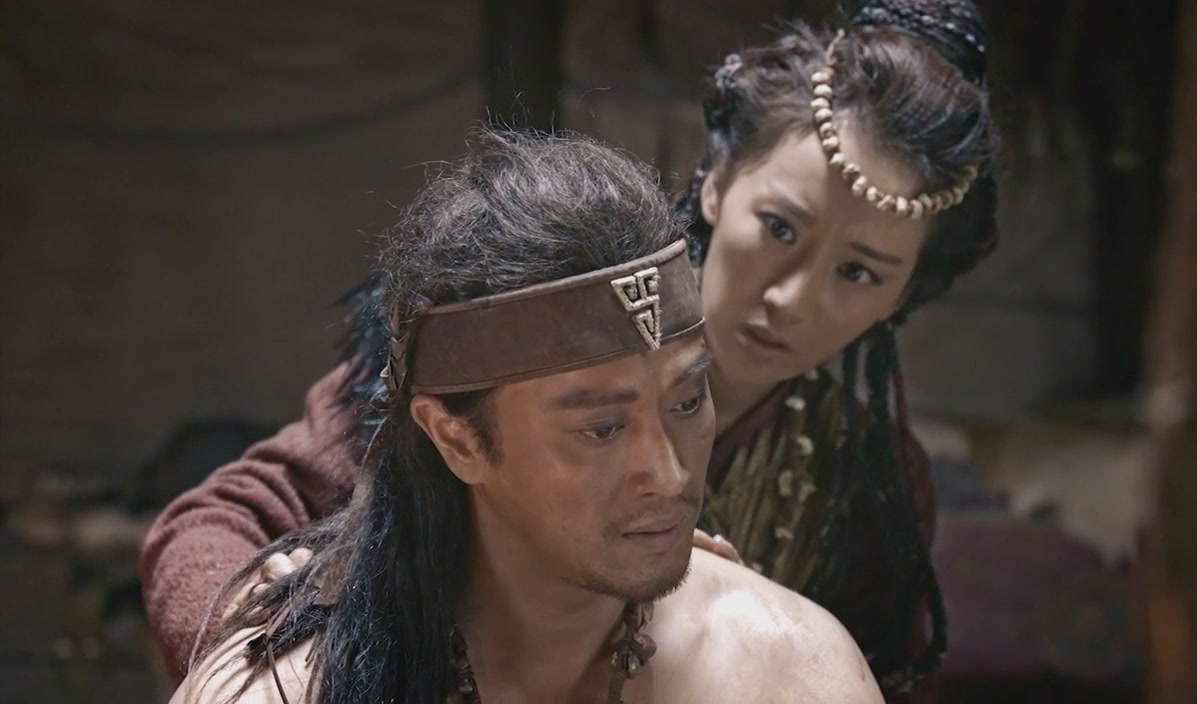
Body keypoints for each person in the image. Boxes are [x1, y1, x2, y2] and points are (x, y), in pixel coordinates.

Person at [143, 0, 997, 699]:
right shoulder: (510, 332)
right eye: (779, 228)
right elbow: (219, 525)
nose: (792, 296)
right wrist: (299, 642)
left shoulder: (865, 481)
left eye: (859, 272)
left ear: (902, 298)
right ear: (717, 184)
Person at [168, 128, 882, 704]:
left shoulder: (792, 671)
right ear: (459, 440)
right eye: (601, 429)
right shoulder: (288, 689)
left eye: (687, 402)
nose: (669, 474)